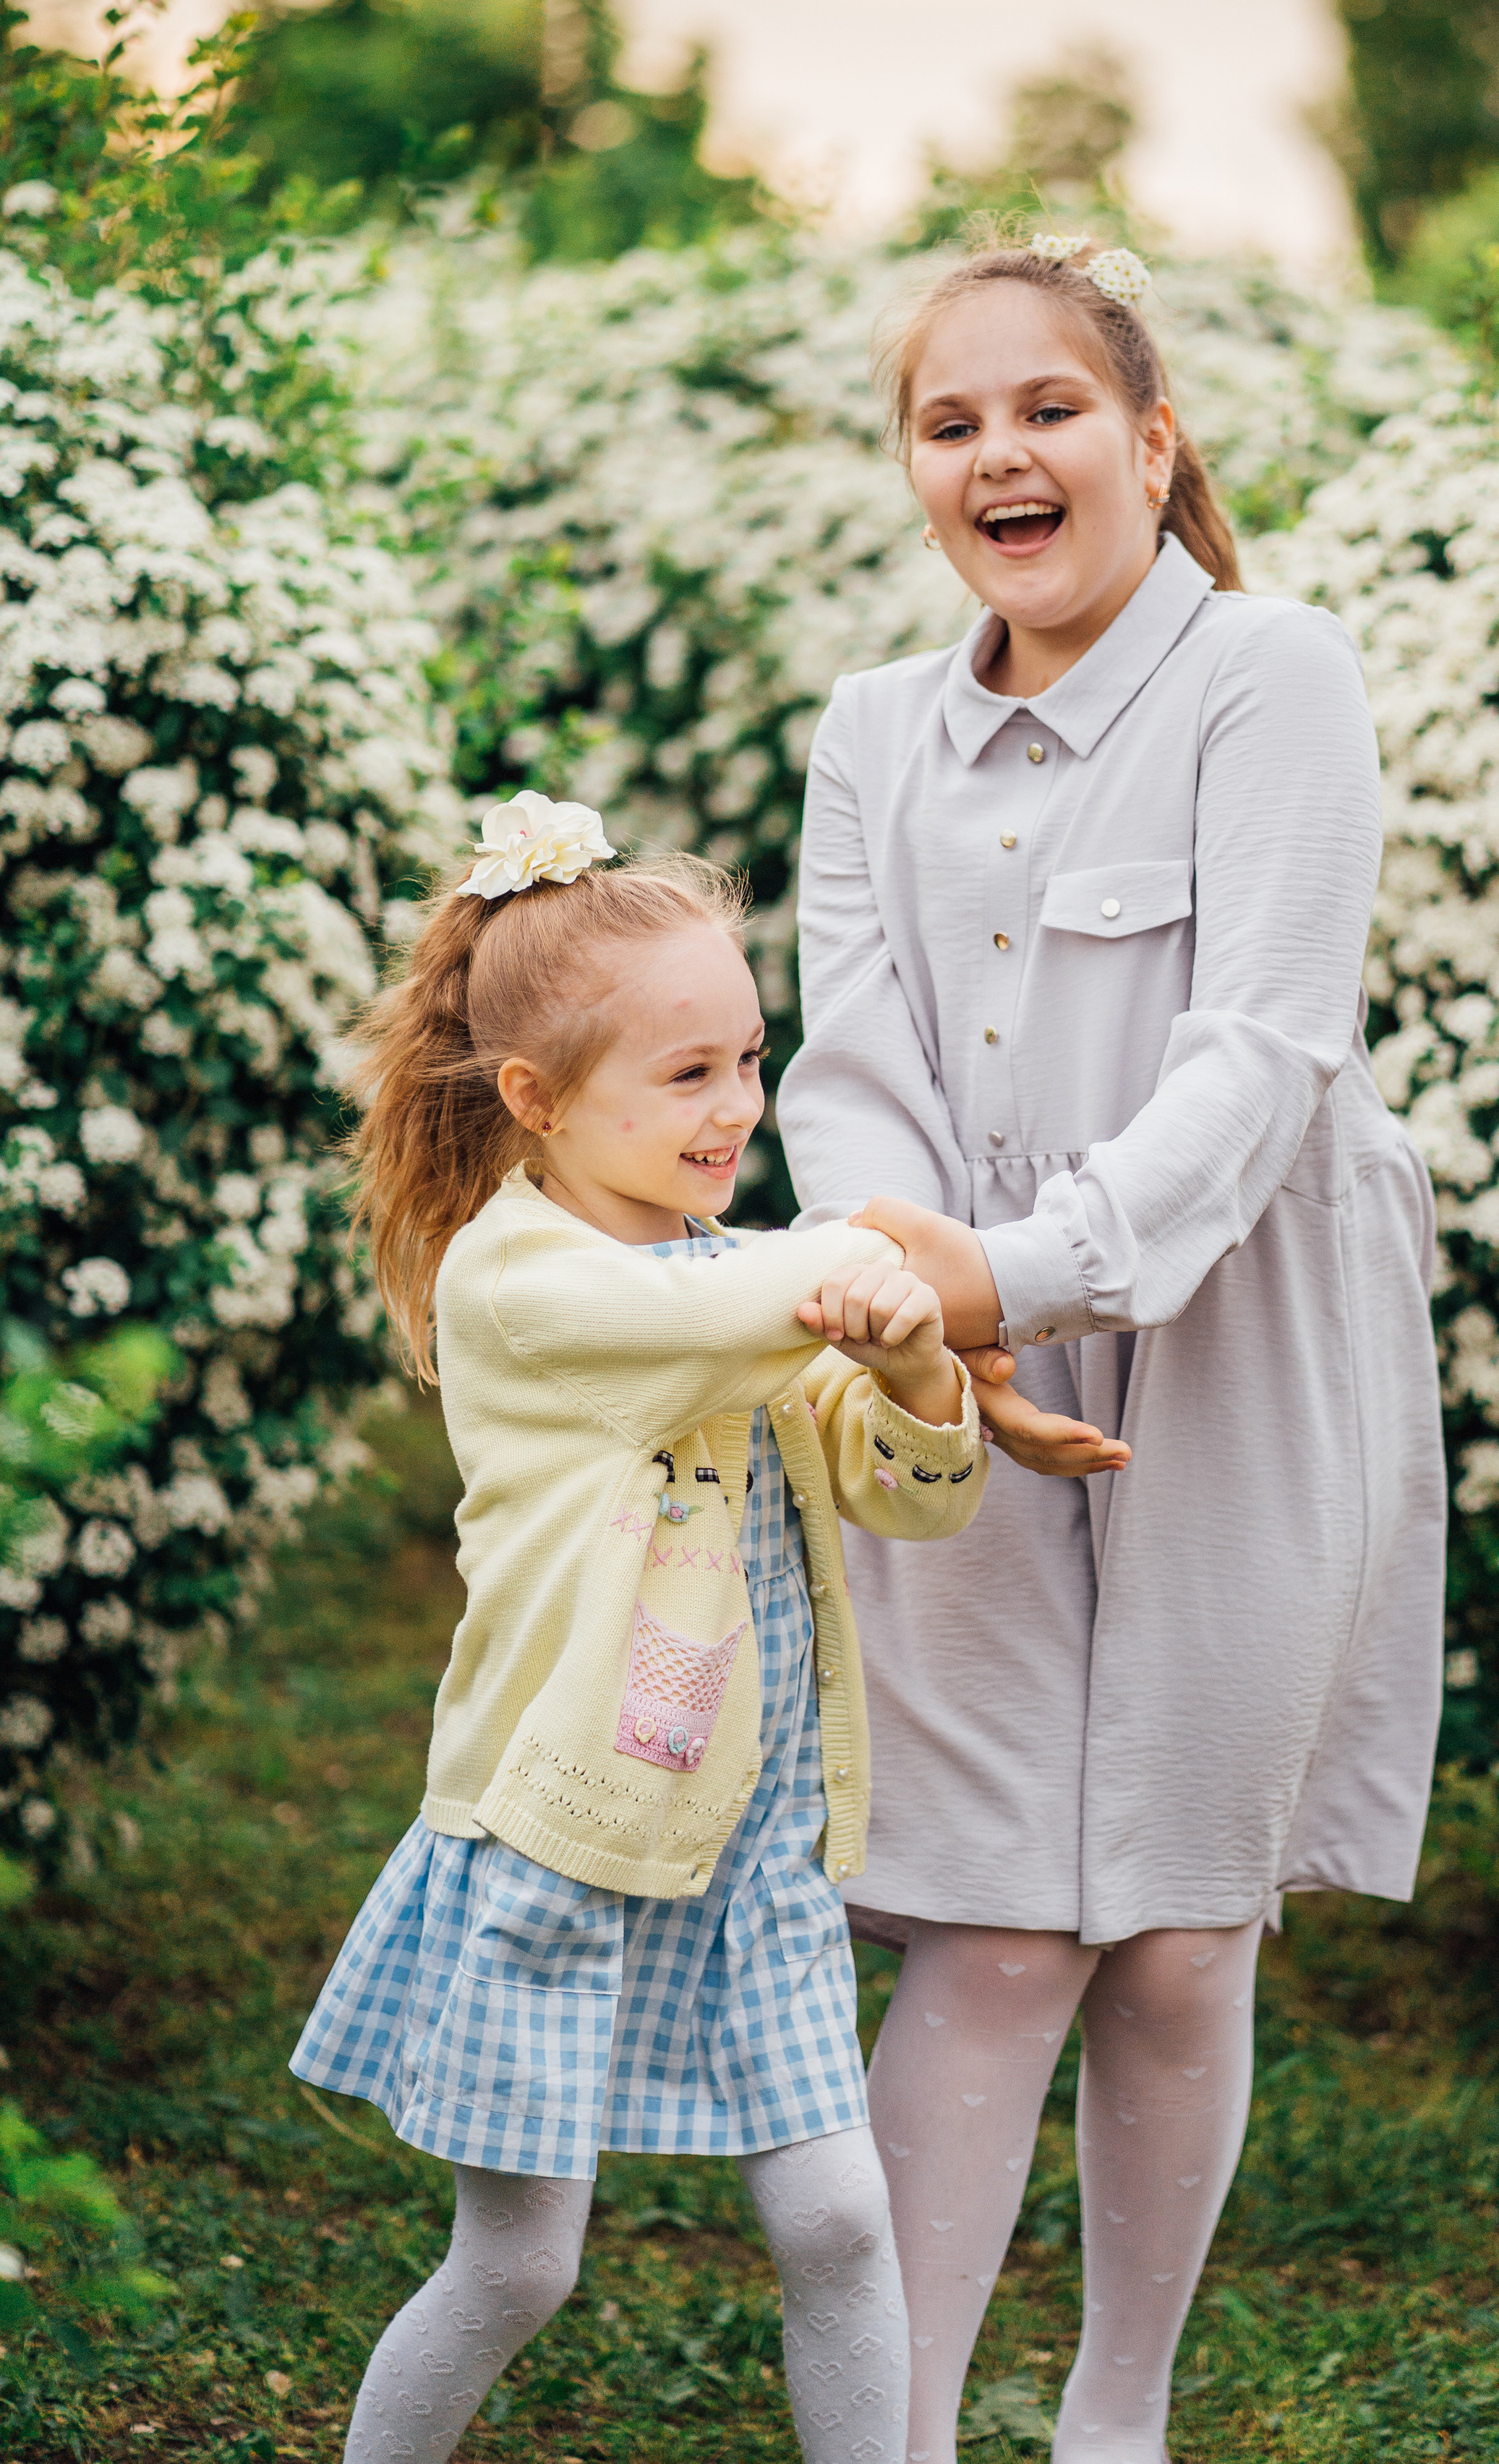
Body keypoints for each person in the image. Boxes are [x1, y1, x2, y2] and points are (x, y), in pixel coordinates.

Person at [778, 234, 1448, 2464]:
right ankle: (894, 2440)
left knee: (1174, 1925)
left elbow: (1261, 1057)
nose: (1003, 455)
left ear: (1153, 443)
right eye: (949, 423)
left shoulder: (1273, 673)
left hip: (1239, 1348)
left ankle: (1116, 2422)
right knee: (986, 1925)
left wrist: (1017, 1274)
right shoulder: (871, 730)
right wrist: (921, 1308)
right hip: (944, 1378)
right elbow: (852, 1067)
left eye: (1049, 408)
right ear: (916, 471)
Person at [291, 798, 998, 2464]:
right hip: (565, 1831)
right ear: (535, 1100)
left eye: (748, 1058)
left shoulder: (736, 1273)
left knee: (839, 2224)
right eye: (687, 1074)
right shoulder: (525, 1283)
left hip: (753, 1836)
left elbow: (911, 1493)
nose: (738, 1105)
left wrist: (916, 1368)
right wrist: (886, 1259)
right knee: (517, 2266)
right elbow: (730, 1319)